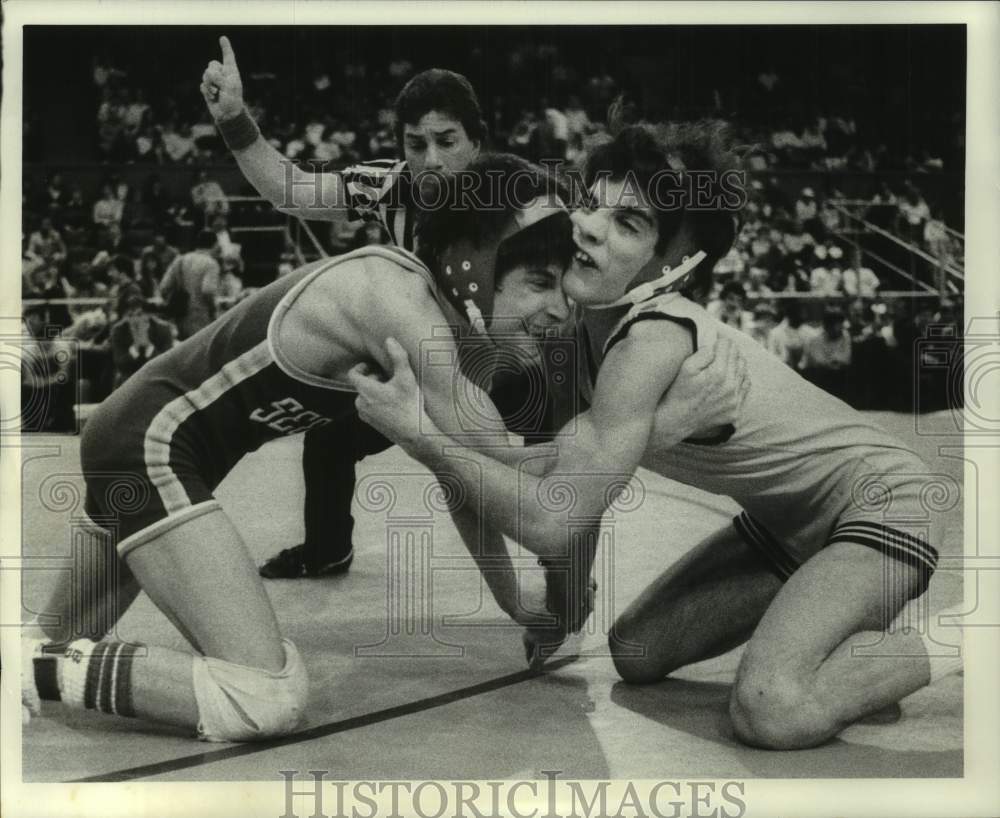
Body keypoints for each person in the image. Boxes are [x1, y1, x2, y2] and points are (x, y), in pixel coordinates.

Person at [22, 154, 742, 741]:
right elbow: (499, 457)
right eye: (539, 282)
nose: (558, 308)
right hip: (149, 448)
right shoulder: (394, 303)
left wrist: (511, 598)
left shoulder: (432, 312)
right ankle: (41, 667)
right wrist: (654, 421)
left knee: (31, 647)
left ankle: (33, 663)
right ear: (474, 263)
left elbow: (462, 476)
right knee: (263, 695)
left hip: (143, 446)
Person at [352, 121, 959, 750]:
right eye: (590, 205)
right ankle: (844, 637)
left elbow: (554, 518)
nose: (587, 227)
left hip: (886, 501)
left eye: (628, 224)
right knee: (636, 653)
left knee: (772, 710)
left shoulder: (653, 340)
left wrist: (422, 438)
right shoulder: (576, 329)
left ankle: (973, 632)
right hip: (787, 523)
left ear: (669, 263)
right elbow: (570, 490)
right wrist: (562, 610)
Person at [201, 37, 484, 579]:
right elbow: (293, 190)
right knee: (329, 440)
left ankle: (560, 561)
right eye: (416, 143)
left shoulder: (514, 197)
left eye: (446, 141)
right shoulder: (390, 186)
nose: (431, 160)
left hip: (493, 364)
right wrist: (235, 120)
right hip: (416, 366)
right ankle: (328, 548)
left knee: (512, 458)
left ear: (477, 142)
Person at [159, 229, 221, 340]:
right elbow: (208, 290)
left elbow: (164, 287)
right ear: (215, 244)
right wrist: (213, 309)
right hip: (202, 316)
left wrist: (174, 302)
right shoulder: (211, 263)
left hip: (181, 316)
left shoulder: (180, 259)